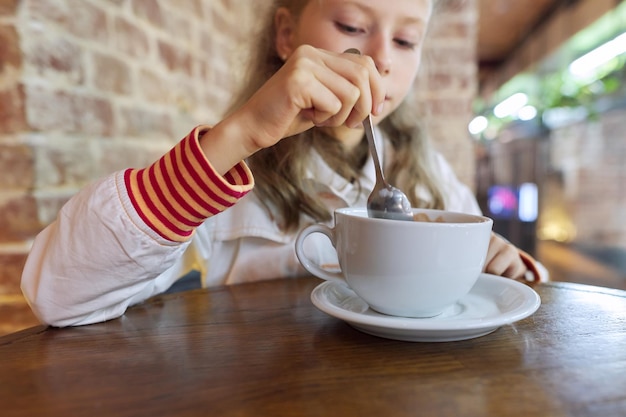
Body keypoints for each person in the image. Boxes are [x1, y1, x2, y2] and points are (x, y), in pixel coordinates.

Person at [21, 0, 546, 327]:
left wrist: (503, 266)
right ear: (287, 35)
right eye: (352, 25)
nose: (381, 59)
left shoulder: (426, 172)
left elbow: (493, 290)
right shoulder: (229, 173)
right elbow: (58, 295)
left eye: (407, 40)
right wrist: (241, 132)